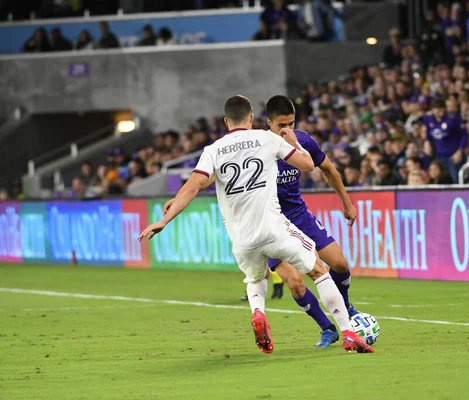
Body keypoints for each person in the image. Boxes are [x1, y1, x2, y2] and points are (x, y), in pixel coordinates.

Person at [144, 95, 373, 355]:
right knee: (301, 279)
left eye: (292, 123)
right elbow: (307, 164)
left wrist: (168, 214)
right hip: (275, 223)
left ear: (227, 121)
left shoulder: (218, 148)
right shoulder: (266, 141)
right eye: (281, 125)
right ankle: (335, 329)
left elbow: (198, 182)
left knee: (336, 264)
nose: (286, 129)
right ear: (259, 120)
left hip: (280, 221)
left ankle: (316, 309)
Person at [423, 97, 468, 183]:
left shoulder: (453, 119)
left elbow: (464, 135)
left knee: (456, 179)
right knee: (435, 179)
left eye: (441, 108)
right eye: (436, 108)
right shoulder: (428, 119)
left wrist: (460, 150)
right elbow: (428, 131)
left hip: (453, 155)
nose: (440, 111)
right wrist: (427, 141)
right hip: (438, 156)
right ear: (432, 110)